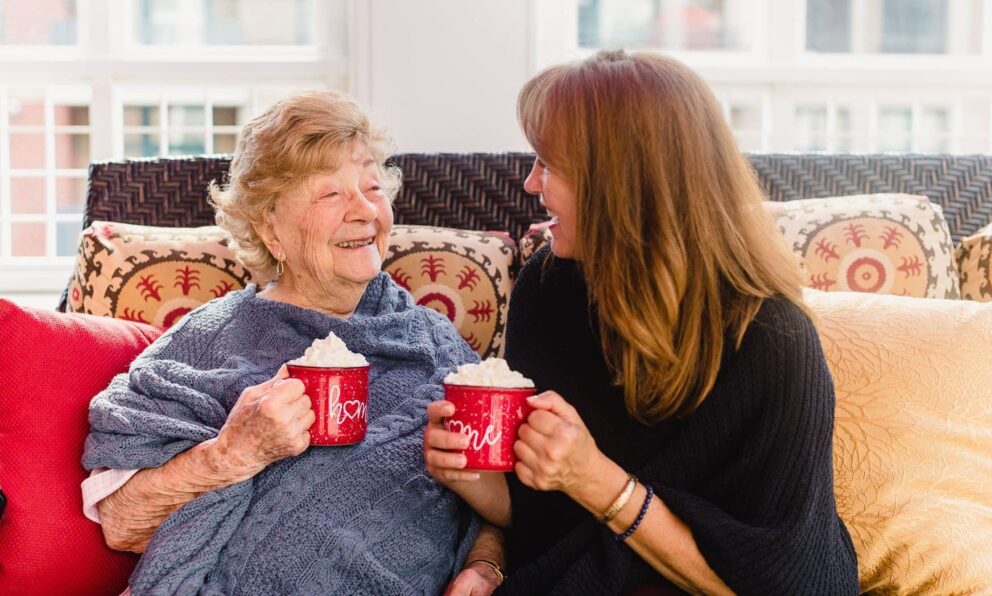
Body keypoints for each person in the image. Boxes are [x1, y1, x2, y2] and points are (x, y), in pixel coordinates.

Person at [424, 50, 859, 594]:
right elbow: (555, 524)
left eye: (550, 164)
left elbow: (785, 581)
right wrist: (479, 484)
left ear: (624, 183)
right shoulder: (547, 287)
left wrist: (595, 479)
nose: (532, 184)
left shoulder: (773, 339)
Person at [81, 90, 503, 595]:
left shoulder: (436, 345)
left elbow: (505, 502)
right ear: (270, 227)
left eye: (372, 186)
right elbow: (122, 522)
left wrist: (485, 565)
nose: (365, 210)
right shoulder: (208, 341)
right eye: (330, 194)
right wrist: (234, 452)